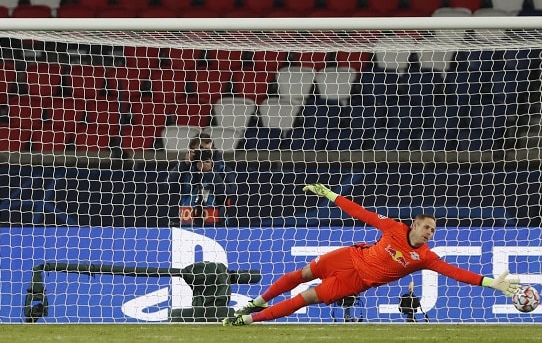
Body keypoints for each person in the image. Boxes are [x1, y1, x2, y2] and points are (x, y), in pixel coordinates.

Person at [223, 183, 520, 326]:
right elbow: (361, 213)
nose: (430, 233)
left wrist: (490, 282)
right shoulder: (392, 227)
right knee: (299, 275)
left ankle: (249, 321)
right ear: (414, 224)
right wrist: (330, 196)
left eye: (433, 230)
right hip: (348, 256)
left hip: (357, 281)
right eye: (427, 227)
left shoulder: (425, 257)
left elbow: (456, 272)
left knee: (306, 298)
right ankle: (254, 303)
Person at [167, 132, 235, 226]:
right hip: (186, 226)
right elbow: (167, 187)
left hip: (215, 226)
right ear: (191, 151)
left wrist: (210, 173)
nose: (203, 154)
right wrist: (184, 164)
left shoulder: (223, 170)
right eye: (200, 150)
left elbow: (228, 194)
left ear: (214, 150)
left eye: (207, 150)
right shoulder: (184, 170)